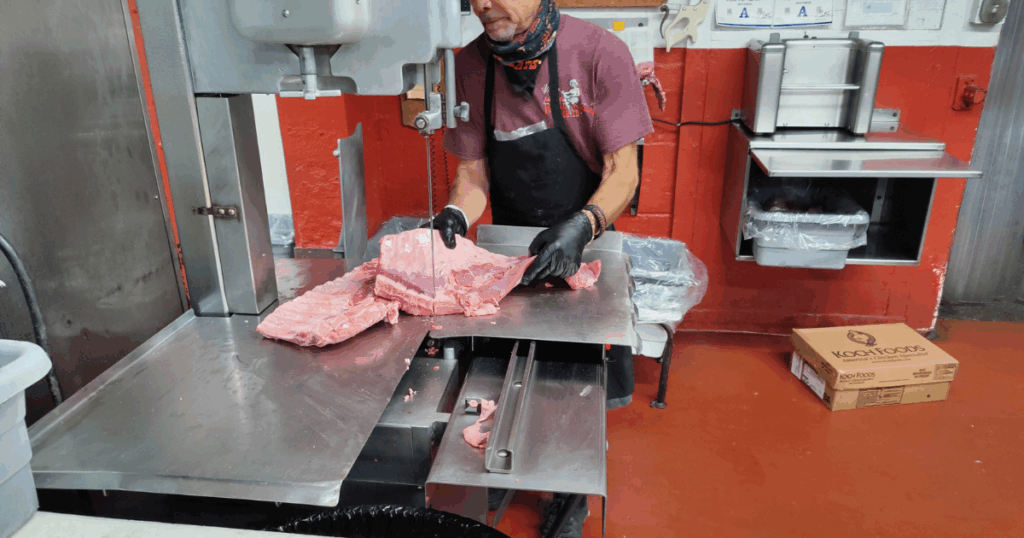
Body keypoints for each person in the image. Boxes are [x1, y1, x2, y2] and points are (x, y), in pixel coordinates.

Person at [430, 0, 654, 535]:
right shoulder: (469, 66)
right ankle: (499, 456)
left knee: (572, 384)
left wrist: (584, 225)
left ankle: (568, 491)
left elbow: (625, 170)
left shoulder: (601, 54)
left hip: (589, 239)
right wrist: (459, 212)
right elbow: (473, 174)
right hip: (511, 250)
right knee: (500, 371)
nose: (485, 4)